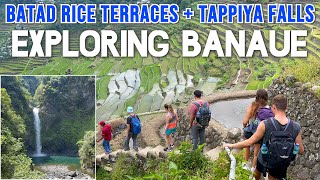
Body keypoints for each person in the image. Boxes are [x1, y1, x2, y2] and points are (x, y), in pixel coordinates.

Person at [224, 95, 304, 180]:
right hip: (282, 161)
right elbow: (301, 150)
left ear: (273, 107)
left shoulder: (265, 124)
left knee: (257, 172)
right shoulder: (296, 126)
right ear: (286, 107)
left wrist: (231, 145)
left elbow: (249, 142)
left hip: (264, 158)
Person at [242, 89, 274, 170]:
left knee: (247, 146)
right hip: (259, 134)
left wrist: (244, 126)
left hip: (249, 131)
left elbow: (245, 121)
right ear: (266, 98)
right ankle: (253, 170)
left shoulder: (253, 106)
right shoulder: (269, 110)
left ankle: (244, 165)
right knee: (256, 154)